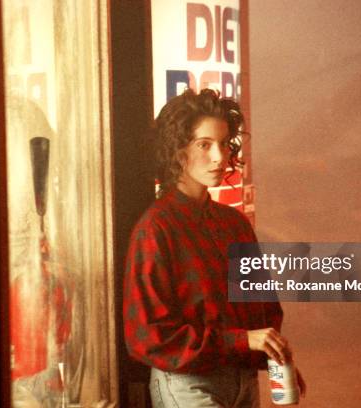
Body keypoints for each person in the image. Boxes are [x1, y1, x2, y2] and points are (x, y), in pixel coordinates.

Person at [123, 88, 304, 407]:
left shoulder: (234, 223)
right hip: (188, 384)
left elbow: (262, 307)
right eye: (204, 145)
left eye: (223, 143)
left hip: (243, 382)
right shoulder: (156, 228)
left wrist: (273, 355)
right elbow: (147, 337)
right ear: (178, 151)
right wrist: (242, 340)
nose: (219, 157)